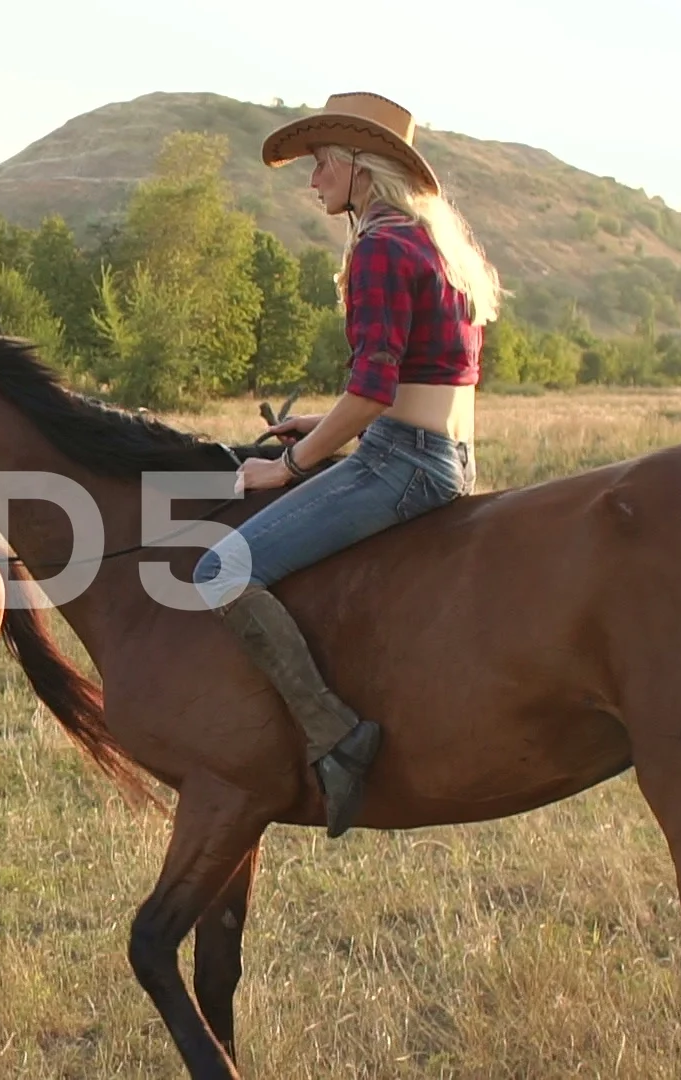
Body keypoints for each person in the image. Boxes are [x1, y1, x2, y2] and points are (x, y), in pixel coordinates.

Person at [191, 92, 502, 838]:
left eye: (321, 161)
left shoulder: (379, 249)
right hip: (441, 454)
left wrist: (290, 464)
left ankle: (334, 734)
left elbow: (372, 392)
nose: (312, 179)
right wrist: (328, 424)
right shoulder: (431, 246)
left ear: (361, 166)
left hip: (404, 462)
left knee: (219, 572)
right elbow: (412, 385)